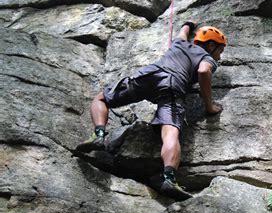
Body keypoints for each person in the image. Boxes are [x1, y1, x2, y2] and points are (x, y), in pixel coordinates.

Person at [76, 21, 227, 200]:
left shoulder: (180, 43)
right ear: (211, 45)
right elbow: (203, 71)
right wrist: (209, 106)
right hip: (172, 86)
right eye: (220, 51)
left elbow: (182, 32)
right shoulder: (206, 57)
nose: (219, 57)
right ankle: (169, 179)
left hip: (149, 76)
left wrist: (188, 24)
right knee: (170, 133)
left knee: (101, 98)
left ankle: (99, 134)